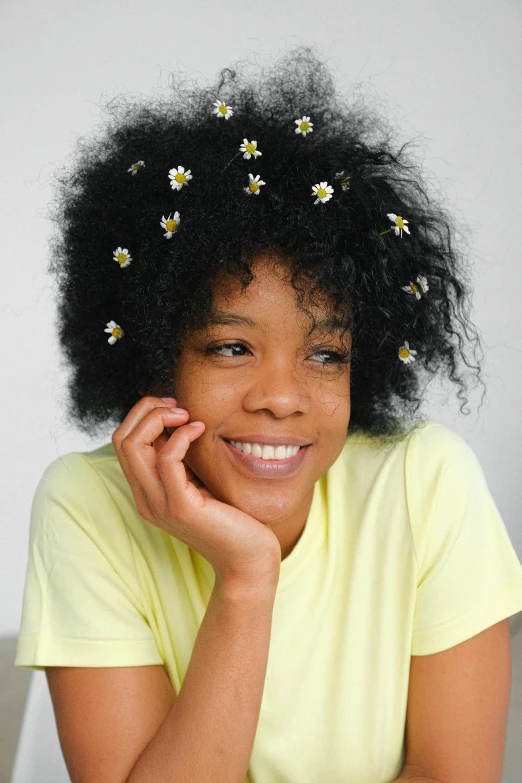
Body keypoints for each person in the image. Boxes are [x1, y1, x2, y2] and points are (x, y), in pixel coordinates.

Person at [15, 46, 522, 783]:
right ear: (156, 361)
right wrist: (248, 575)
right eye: (230, 347)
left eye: (325, 355)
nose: (282, 396)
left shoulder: (424, 483)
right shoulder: (89, 504)